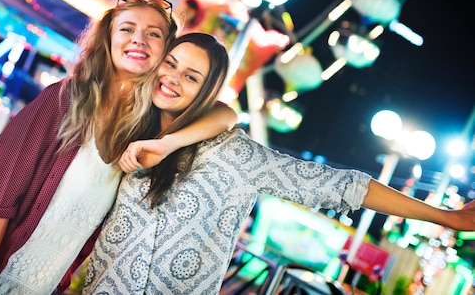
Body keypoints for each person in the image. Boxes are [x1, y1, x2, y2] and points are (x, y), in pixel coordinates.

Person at [0, 0, 237, 295]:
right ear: (108, 38)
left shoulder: (144, 130)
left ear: (165, 54)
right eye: (127, 29)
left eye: (154, 34)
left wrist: (167, 143)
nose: (139, 40)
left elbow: (225, 115)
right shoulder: (65, 99)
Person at [83, 32, 475, 294]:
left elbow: (343, 185)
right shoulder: (127, 127)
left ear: (207, 92)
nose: (172, 79)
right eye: (169, 64)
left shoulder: (232, 153)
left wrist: (445, 217)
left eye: (192, 76)